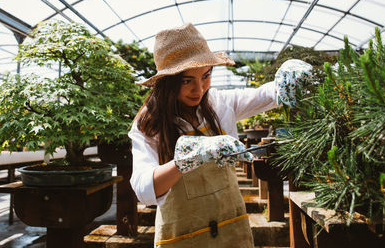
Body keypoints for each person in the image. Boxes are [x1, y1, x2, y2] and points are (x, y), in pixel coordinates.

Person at [128, 23, 311, 247]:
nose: (199, 89)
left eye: (206, 76)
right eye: (187, 81)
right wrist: (184, 161)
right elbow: (143, 189)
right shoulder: (149, 124)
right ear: (167, 82)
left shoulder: (218, 104)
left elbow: (264, 95)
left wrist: (283, 82)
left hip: (231, 228)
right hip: (182, 237)